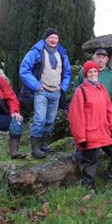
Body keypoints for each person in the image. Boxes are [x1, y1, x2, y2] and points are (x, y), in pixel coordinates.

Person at [68, 61, 112, 188]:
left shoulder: (102, 89)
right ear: (85, 75)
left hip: (104, 131)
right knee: (91, 161)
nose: (93, 73)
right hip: (90, 133)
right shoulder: (80, 91)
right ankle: (88, 187)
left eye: (95, 71)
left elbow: (109, 109)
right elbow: (76, 117)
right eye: (90, 71)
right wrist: (81, 138)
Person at [19, 28, 72, 158]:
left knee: (50, 120)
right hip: (41, 92)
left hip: (56, 92)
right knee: (40, 119)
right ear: (46, 39)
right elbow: (24, 70)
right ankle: (35, 149)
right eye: (51, 37)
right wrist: (37, 85)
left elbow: (67, 73)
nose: (53, 40)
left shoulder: (62, 54)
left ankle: (43, 145)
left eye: (56, 38)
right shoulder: (36, 52)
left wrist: (63, 87)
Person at [75, 48, 112, 113]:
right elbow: (76, 89)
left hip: (106, 110)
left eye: (103, 58)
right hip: (87, 110)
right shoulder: (83, 72)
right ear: (94, 59)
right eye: (98, 57)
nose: (100, 60)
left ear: (107, 60)